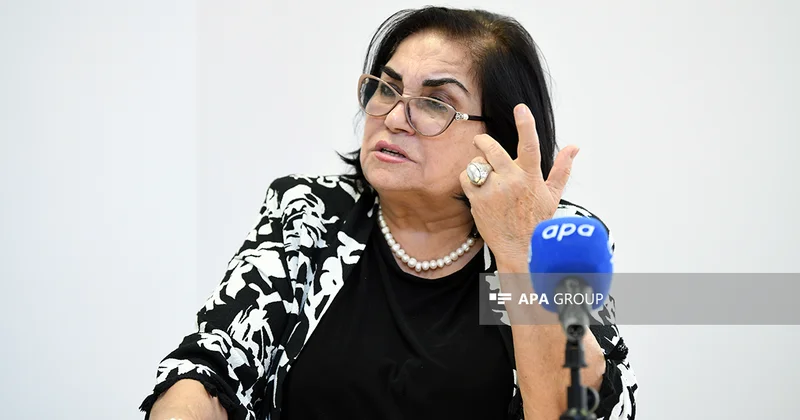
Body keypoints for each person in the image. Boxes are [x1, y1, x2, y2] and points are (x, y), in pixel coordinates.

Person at [140, 6, 637, 420]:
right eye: (387, 88)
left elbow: (576, 410)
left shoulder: (561, 236)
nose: (395, 117)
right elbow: (211, 366)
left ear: (499, 140)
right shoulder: (308, 211)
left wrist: (518, 250)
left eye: (436, 102)